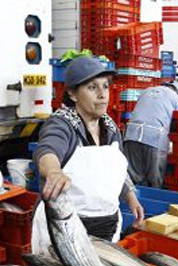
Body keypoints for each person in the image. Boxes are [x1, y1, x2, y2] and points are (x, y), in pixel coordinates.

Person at [31, 56, 144, 254]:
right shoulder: (61, 124)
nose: (102, 95)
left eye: (105, 86)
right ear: (72, 93)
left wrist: (131, 197)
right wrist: (53, 171)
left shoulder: (111, 128)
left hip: (107, 227)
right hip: (65, 229)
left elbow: (116, 171)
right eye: (92, 87)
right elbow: (48, 149)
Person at [124, 81, 178, 188]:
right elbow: (177, 125)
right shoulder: (176, 98)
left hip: (132, 134)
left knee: (132, 180)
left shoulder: (147, 91)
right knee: (155, 181)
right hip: (155, 137)